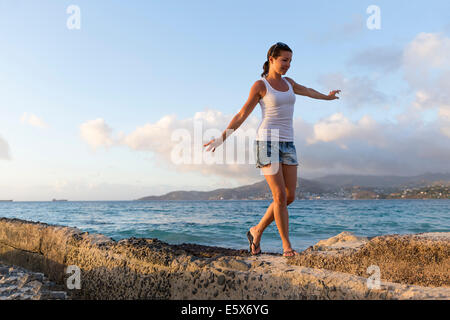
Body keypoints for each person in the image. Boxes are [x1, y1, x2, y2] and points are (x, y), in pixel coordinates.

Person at [203, 42, 340, 257]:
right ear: (271, 59)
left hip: (288, 142)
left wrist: (327, 96)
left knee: (289, 196)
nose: (287, 65)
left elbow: (308, 91)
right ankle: (287, 246)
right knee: (278, 196)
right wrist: (222, 138)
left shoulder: (289, 82)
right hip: (266, 142)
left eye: (290, 61)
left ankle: (256, 230)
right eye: (284, 60)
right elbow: (241, 114)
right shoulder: (261, 85)